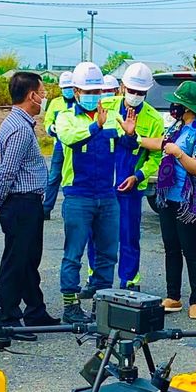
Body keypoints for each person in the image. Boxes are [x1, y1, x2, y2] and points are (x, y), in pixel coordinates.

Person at [54, 62, 138, 323]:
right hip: (78, 195)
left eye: (97, 91)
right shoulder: (66, 117)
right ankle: (70, 307)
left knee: (108, 254)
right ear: (76, 92)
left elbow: (126, 146)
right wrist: (95, 127)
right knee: (74, 253)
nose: (94, 96)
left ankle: (101, 306)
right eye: (89, 92)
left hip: (107, 196)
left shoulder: (111, 117)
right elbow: (70, 139)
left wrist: (131, 135)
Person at [0, 72, 61, 341]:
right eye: (43, 92)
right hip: (21, 203)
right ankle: (8, 320)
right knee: (16, 262)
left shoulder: (20, 123)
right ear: (32, 96)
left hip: (26, 202)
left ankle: (35, 311)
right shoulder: (19, 128)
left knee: (29, 260)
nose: (44, 98)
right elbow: (7, 171)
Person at [137, 81, 196, 320]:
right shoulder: (177, 127)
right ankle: (173, 296)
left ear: (188, 107)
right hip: (168, 197)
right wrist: (135, 137)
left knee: (191, 251)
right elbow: (161, 143)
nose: (173, 107)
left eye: (177, 104)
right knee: (171, 247)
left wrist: (180, 153)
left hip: (189, 202)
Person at [82, 62, 163, 292]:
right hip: (101, 185)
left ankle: (130, 281)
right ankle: (95, 278)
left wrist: (138, 176)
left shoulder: (154, 119)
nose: (135, 95)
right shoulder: (105, 107)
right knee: (96, 234)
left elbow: (155, 157)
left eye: (140, 92)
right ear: (122, 87)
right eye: (132, 90)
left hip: (130, 187)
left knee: (129, 236)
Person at [42, 71, 75, 219]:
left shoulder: (81, 102)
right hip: (60, 146)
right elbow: (47, 121)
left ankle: (70, 209)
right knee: (54, 177)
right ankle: (46, 209)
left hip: (76, 146)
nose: (68, 90)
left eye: (70, 87)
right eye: (65, 88)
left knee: (73, 177)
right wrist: (51, 128)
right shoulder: (55, 103)